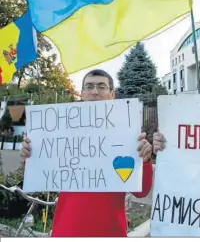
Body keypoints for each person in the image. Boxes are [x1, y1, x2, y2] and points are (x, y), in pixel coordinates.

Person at [20, 69, 166, 237]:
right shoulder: (61, 131)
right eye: (89, 86)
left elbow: (141, 191)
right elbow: (41, 174)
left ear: (112, 94)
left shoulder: (128, 135)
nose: (95, 91)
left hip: (110, 233)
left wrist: (145, 159)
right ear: (82, 93)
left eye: (101, 86)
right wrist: (29, 158)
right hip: (65, 231)